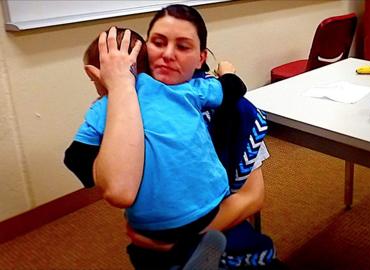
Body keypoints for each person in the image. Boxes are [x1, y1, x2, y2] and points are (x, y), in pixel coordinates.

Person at [64, 4, 276, 269]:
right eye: (158, 43)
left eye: (183, 46)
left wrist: (178, 241)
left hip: (205, 226)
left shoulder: (233, 108)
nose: (167, 55)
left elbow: (252, 197)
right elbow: (110, 183)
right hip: (162, 231)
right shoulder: (118, 110)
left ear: (201, 57)